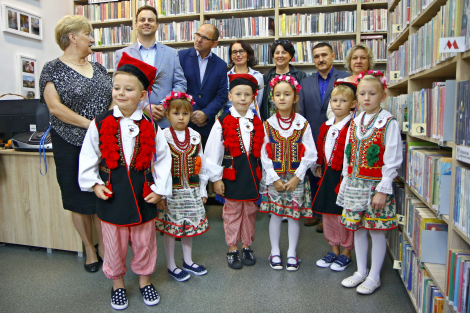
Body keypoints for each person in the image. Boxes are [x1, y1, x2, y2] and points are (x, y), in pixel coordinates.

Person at [78, 52, 172, 309]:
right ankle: (117, 283)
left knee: (144, 243)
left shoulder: (152, 126)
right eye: (116, 87)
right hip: (112, 195)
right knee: (114, 245)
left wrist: (160, 189)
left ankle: (144, 281)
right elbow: (88, 155)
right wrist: (94, 183)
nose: (120, 93)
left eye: (128, 89)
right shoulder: (100, 123)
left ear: (143, 95)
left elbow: (163, 159)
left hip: (143, 196)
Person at [39, 15, 112, 273]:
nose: (92, 39)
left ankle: (105, 247)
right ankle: (90, 250)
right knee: (76, 198)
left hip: (102, 143)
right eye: (88, 34)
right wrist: (91, 125)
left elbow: (112, 100)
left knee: (102, 194)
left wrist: (108, 125)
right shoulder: (52, 69)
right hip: (69, 142)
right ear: (73, 37)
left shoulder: (100, 69)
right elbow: (55, 107)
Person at [337, 70, 402, 295]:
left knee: (376, 231)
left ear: (382, 96)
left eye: (372, 93)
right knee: (358, 230)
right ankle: (360, 270)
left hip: (375, 187)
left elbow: (392, 158)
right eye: (362, 93)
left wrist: (383, 189)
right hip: (355, 185)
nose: (366, 98)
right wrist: (345, 180)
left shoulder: (388, 123)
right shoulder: (355, 123)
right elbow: (348, 154)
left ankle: (374, 275)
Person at [205, 74, 264, 270]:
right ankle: (232, 247)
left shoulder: (257, 121)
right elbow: (213, 152)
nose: (243, 98)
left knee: (250, 211)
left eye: (247, 94)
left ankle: (246, 245)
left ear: (253, 97)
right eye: (238, 94)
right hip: (232, 174)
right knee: (232, 212)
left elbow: (263, 150)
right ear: (230, 97)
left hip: (251, 175)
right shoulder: (222, 121)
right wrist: (216, 178)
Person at [260, 75, 317, 271]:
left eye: (287, 94)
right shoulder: (267, 124)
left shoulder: (303, 124)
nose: (282, 98)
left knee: (294, 216)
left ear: (295, 97)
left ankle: (292, 252)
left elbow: (311, 153)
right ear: (272, 99)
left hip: (296, 178)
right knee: (275, 215)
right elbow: (263, 154)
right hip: (275, 178)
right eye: (278, 94)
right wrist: (274, 178)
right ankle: (274, 251)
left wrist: (297, 176)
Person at [155, 91, 209, 282]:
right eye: (176, 113)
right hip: (171, 193)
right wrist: (160, 195)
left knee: (189, 226)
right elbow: (157, 168)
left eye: (185, 114)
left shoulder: (195, 136)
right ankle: (171, 264)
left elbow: (201, 164)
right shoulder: (162, 136)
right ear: (168, 114)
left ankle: (188, 260)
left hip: (191, 190)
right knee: (172, 228)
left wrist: (202, 189)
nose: (181, 117)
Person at [298, 42, 349, 230]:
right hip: (313, 135)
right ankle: (316, 211)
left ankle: (330, 215)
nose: (320, 59)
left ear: (333, 56)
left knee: (333, 174)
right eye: (317, 56)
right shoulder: (305, 82)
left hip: (338, 134)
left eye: (324, 55)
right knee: (314, 173)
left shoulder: (344, 78)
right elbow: (301, 112)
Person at [115, 5, 187, 128]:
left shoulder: (171, 53)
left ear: (157, 25)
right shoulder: (123, 54)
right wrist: (144, 106)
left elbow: (180, 84)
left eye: (150, 20)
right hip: (133, 120)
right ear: (136, 24)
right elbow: (118, 88)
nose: (146, 23)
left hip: (164, 120)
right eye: (142, 20)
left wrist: (166, 105)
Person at [312, 82, 356, 272]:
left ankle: (346, 252)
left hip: (344, 175)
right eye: (335, 100)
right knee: (329, 213)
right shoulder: (327, 125)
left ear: (353, 104)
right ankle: (334, 249)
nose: (338, 104)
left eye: (343, 101)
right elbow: (322, 147)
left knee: (342, 213)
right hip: (328, 172)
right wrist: (320, 164)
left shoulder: (354, 126)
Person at [178, 24, 228, 146]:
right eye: (198, 35)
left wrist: (206, 113)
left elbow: (221, 95)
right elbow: (178, 88)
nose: (199, 39)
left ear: (214, 44)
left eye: (204, 37)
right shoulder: (180, 57)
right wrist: (193, 113)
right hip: (182, 122)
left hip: (206, 126)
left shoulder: (220, 65)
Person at [260, 39, 306, 121]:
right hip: (271, 123)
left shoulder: (300, 76)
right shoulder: (266, 77)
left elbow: (303, 102)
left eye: (284, 52)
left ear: (290, 55)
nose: (280, 56)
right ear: (273, 56)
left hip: (294, 122)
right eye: (277, 53)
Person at [326, 44, 375, 119]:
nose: (358, 61)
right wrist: (344, 125)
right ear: (350, 62)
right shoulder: (341, 82)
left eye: (363, 58)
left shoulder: (375, 83)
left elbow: (379, 109)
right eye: (354, 58)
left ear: (369, 61)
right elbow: (330, 111)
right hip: (344, 128)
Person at [224, 40, 264, 114]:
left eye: (241, 51)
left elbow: (258, 102)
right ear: (231, 56)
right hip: (229, 114)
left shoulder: (258, 76)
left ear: (248, 54)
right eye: (234, 52)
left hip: (251, 114)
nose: (238, 55)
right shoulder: (225, 77)